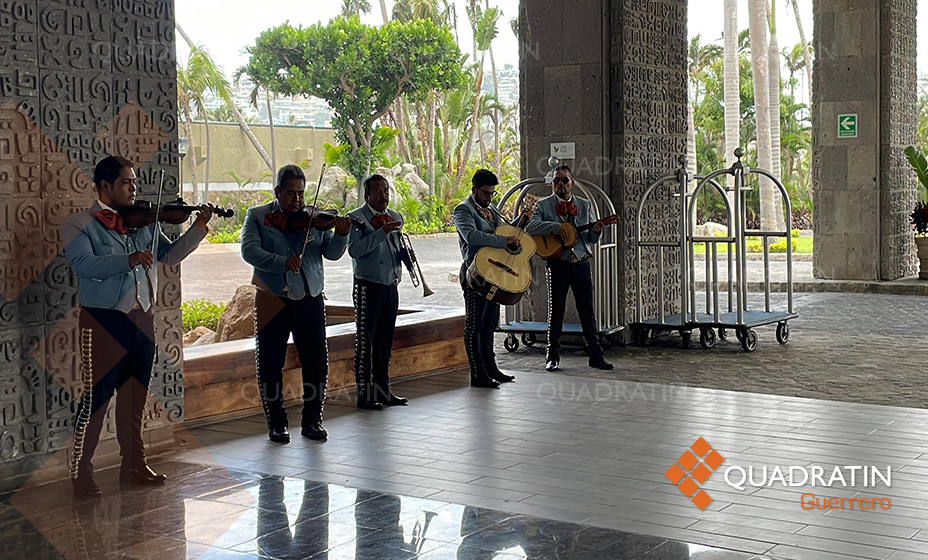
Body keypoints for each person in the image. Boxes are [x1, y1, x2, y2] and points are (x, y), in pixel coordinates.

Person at [64, 155, 214, 499]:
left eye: (134, 182)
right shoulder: (78, 224)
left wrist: (198, 228)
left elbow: (170, 256)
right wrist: (126, 259)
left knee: (135, 396)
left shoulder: (145, 223)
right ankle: (80, 471)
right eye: (126, 183)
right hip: (102, 320)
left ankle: (134, 464)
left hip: (143, 319)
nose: (133, 188)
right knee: (96, 400)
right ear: (104, 186)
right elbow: (83, 265)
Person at [241, 164, 350, 443]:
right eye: (290, 194)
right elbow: (249, 251)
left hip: (310, 297)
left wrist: (341, 234)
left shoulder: (315, 218)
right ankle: (276, 424)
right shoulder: (257, 216)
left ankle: (312, 420)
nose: (297, 201)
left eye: (301, 194)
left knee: (316, 363)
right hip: (271, 298)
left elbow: (333, 254)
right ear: (277, 191)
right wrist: (281, 263)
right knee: (270, 362)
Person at [525, 165, 614, 372]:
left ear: (572, 183)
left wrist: (597, 231)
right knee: (556, 310)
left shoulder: (584, 204)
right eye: (557, 181)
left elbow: (590, 237)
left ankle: (595, 355)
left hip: (580, 261)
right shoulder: (544, 205)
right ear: (552, 184)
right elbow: (531, 227)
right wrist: (557, 228)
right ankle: (552, 355)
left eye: (565, 180)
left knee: (587, 311)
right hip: (558, 263)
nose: (561, 185)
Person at [453, 169, 527, 388]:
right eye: (485, 193)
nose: (489, 197)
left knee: (490, 323)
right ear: (474, 189)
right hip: (475, 273)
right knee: (474, 324)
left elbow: (504, 231)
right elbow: (472, 237)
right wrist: (503, 241)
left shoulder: (491, 208)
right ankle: (477, 372)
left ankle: (490, 366)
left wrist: (522, 221)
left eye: (492, 193)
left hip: (494, 273)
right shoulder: (463, 210)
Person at [347, 175, 408, 410]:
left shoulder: (395, 216)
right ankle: (364, 394)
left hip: (391, 285)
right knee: (366, 341)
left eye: (386, 190)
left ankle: (384, 390)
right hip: (367, 286)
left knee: (385, 341)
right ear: (367, 195)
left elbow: (397, 247)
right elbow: (355, 250)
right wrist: (381, 232)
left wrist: (406, 259)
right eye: (378, 191)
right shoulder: (356, 218)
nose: (383, 195)